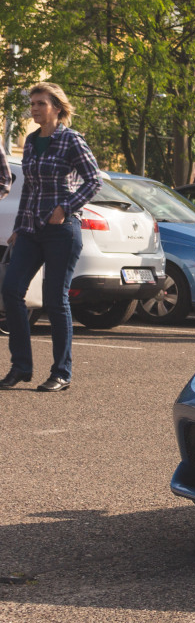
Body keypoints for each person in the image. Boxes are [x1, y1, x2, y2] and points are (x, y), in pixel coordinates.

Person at [0, 83, 101, 392]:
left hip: (62, 230)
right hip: (31, 231)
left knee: (56, 300)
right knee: (11, 290)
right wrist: (18, 227)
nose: (34, 108)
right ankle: (21, 366)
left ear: (57, 108)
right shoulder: (30, 142)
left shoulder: (71, 140)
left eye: (40, 103)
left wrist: (65, 207)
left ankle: (61, 372)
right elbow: (28, 188)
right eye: (32, 103)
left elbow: (94, 179)